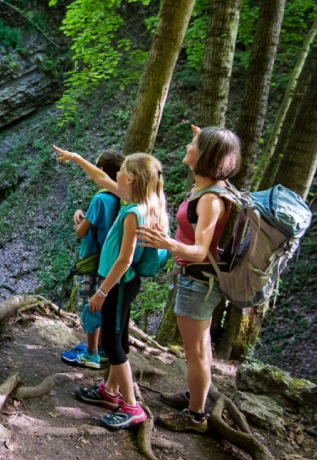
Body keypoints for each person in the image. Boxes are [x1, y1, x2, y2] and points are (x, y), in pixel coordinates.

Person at [53, 145, 169, 430]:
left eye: (120, 171)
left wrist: (101, 292)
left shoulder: (133, 213)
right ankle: (110, 391)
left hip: (117, 286)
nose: (114, 175)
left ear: (129, 178)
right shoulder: (145, 202)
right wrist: (79, 158)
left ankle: (131, 406)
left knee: (112, 344)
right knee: (119, 339)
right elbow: (100, 179)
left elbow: (125, 259)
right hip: (122, 286)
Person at [136, 125, 241, 434]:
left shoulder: (210, 200)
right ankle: (195, 397)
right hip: (196, 280)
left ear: (205, 156)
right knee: (200, 349)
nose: (187, 145)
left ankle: (195, 417)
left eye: (193, 143)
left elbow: (198, 251)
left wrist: (167, 243)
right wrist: (206, 134)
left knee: (195, 353)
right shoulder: (208, 187)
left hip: (198, 282)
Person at [60, 150, 125, 370]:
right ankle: (101, 348)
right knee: (102, 304)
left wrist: (76, 218)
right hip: (110, 260)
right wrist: (82, 211)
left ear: (103, 171)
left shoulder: (99, 198)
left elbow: (81, 232)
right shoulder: (120, 196)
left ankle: (91, 352)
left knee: (89, 305)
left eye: (96, 165)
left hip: (92, 258)